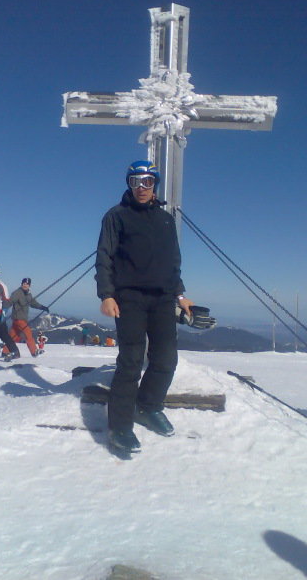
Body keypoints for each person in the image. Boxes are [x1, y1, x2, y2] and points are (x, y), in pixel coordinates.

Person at [95, 160, 193, 453]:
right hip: (129, 298)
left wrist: (180, 294)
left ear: (155, 184)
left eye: (147, 181)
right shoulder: (116, 216)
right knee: (131, 360)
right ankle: (120, 426)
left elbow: (172, 261)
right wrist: (106, 295)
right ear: (129, 184)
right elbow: (104, 256)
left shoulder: (165, 220)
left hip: (163, 298)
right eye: (135, 181)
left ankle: (148, 406)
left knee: (166, 359)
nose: (141, 187)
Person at [1, 278, 49, 358]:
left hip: (20, 319)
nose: (25, 285)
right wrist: (4, 307)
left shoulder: (28, 294)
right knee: (28, 333)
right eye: (24, 284)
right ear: (21, 284)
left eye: (27, 284)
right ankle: (34, 351)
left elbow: (33, 303)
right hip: (19, 319)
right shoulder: (18, 293)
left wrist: (42, 307)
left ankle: (5, 351)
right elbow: (10, 301)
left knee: (13, 336)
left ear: (29, 285)